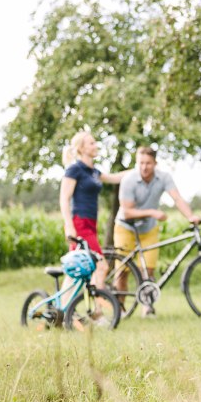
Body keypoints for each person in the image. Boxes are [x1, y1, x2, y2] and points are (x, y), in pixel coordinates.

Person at [114, 146, 200, 317]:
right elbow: (127, 211)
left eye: (148, 163)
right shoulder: (129, 180)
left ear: (155, 163)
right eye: (140, 163)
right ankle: (120, 309)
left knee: (149, 271)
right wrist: (152, 212)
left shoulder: (164, 177)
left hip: (149, 229)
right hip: (126, 227)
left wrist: (190, 216)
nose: (144, 167)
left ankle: (148, 307)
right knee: (122, 271)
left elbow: (177, 198)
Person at [60, 131, 126, 305]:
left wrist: (138, 170)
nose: (96, 145)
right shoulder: (75, 169)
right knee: (101, 265)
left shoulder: (94, 172)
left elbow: (114, 178)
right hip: (79, 223)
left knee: (76, 270)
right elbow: (64, 198)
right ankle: (96, 312)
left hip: (91, 225)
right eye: (91, 143)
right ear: (81, 148)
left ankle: (60, 310)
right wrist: (69, 225)